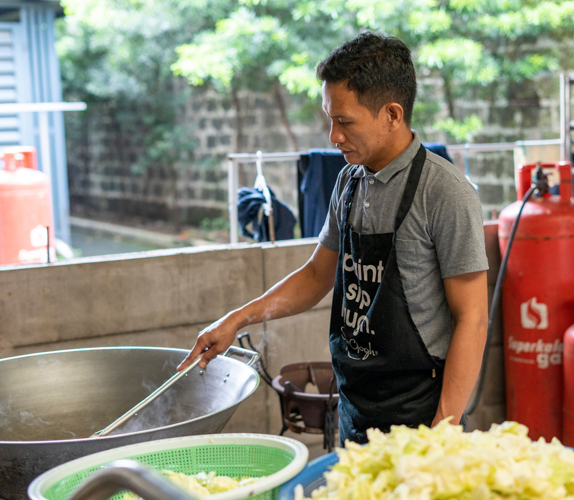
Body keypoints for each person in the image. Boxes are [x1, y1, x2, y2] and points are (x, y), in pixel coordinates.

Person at [178, 32, 489, 445]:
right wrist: (235, 319)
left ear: (392, 114)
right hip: (355, 402)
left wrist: (445, 425)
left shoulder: (445, 191)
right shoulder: (348, 181)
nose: (333, 136)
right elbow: (315, 276)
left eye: (344, 121)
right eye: (330, 119)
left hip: (421, 411)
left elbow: (473, 317)